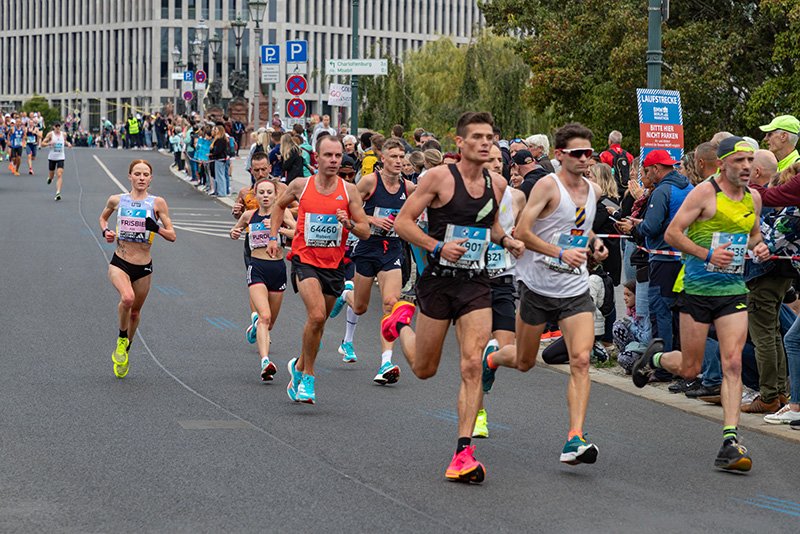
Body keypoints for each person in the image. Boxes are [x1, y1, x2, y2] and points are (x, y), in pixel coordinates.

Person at [382, 112, 525, 484]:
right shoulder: (438, 178)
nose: (484, 143)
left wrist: (507, 240)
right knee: (424, 369)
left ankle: (463, 453)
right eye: (476, 137)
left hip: (475, 284)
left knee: (472, 365)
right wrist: (436, 246)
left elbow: (490, 226)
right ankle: (400, 324)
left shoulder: (496, 184)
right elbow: (402, 222)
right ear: (459, 143)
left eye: (489, 137)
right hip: (439, 283)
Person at [632, 137, 771, 472]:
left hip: (733, 291)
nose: (747, 167)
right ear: (722, 163)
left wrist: (760, 246)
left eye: (751, 160)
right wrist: (708, 254)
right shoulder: (704, 194)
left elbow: (753, 234)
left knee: (732, 363)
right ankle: (656, 357)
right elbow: (672, 234)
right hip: (696, 289)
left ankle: (730, 440)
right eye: (740, 160)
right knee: (692, 368)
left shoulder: (753, 197)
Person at [482, 122, 603, 466]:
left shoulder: (592, 190)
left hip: (574, 289)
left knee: (581, 360)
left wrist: (594, 244)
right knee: (523, 361)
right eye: (577, 154)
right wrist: (560, 253)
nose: (584, 159)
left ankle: (574, 438)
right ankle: (492, 359)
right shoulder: (548, 187)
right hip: (537, 287)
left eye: (589, 153)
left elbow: (582, 228)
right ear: (561, 155)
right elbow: (522, 231)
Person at [267, 136, 371, 404]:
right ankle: (308, 378)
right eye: (329, 155)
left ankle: (299, 365)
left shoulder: (350, 191)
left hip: (334, 265)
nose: (334, 160)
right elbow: (278, 206)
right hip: (304, 259)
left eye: (338, 156)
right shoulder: (301, 185)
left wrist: (348, 224)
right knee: (315, 315)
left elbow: (366, 231)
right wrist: (272, 236)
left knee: (320, 322)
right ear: (317, 157)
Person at [328, 139, 417, 383]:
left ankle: (385, 363)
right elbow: (347, 209)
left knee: (391, 303)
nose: (399, 161)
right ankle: (346, 295)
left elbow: (415, 214)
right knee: (360, 307)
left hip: (392, 250)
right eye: (394, 156)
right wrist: (371, 220)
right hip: (367, 247)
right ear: (383, 159)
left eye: (402, 157)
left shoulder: (408, 188)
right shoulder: (369, 182)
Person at [98, 160, 176, 378]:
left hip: (143, 267)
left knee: (135, 312)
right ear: (129, 176)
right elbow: (103, 219)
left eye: (146, 175)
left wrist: (157, 228)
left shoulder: (157, 203)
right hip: (120, 261)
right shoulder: (117, 200)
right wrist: (106, 232)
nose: (141, 178)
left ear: (150, 179)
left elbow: (172, 235)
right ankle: (122, 338)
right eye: (137, 174)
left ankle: (125, 348)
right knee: (128, 298)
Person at [473, 141, 526, 438]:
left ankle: (491, 364)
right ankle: (479, 414)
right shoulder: (469, 195)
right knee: (475, 351)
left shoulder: (516, 197)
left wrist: (519, 234)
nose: (495, 165)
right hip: (475, 282)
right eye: (489, 160)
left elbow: (526, 227)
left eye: (499, 161)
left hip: (504, 278)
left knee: (508, 350)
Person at [229, 178, 295, 381]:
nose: (265, 196)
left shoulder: (283, 214)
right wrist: (235, 231)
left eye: (269, 192)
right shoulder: (250, 215)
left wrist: (280, 228)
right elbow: (236, 229)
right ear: (255, 196)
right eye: (261, 192)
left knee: (270, 323)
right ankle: (265, 362)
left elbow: (299, 232)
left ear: (276, 195)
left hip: (277, 268)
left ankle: (256, 326)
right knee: (264, 317)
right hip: (257, 267)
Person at [41, 122, 71, 201]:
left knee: (59, 174)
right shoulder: (50, 134)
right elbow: (42, 144)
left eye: (59, 126)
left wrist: (68, 143)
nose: (58, 128)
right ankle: (50, 178)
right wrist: (49, 143)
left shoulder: (63, 134)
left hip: (60, 157)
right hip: (52, 157)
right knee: (51, 175)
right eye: (56, 126)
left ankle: (58, 192)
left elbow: (64, 141)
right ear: (53, 127)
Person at [599, 130, 634, 196]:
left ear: (610, 141)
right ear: (620, 141)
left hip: (611, 190)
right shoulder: (629, 156)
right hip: (627, 189)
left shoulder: (604, 155)